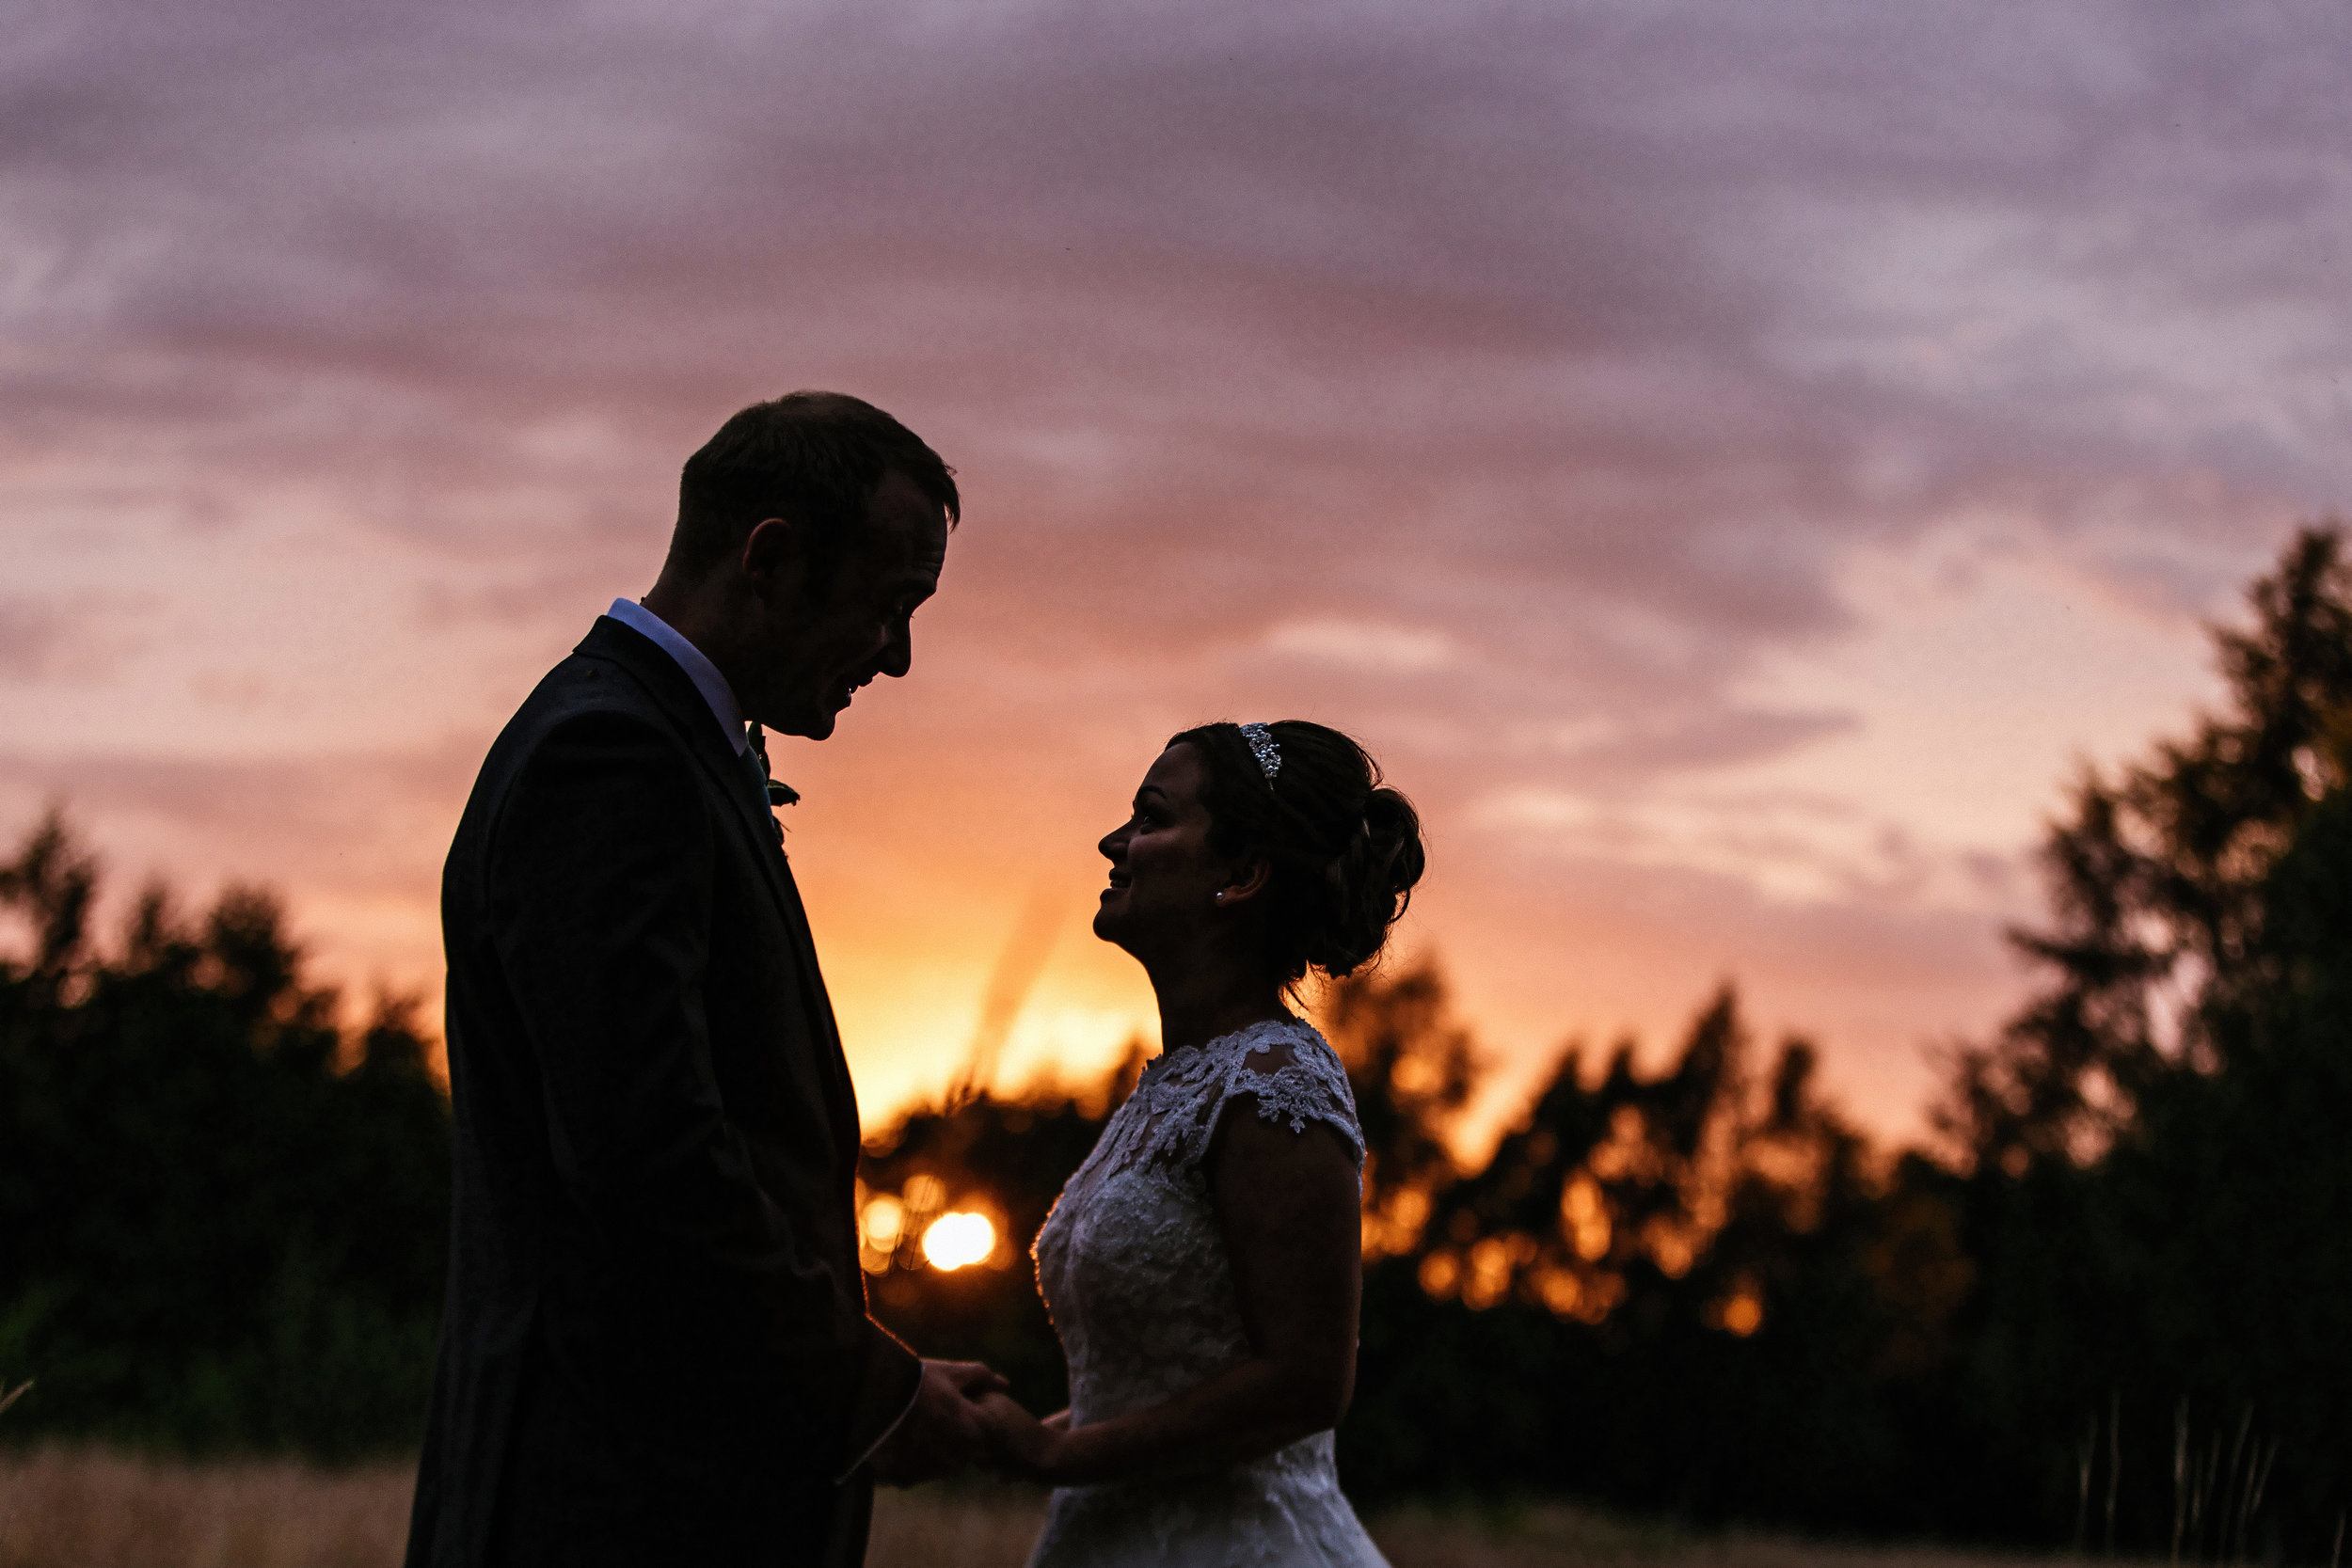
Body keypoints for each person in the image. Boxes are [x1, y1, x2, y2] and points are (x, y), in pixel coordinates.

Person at [405, 392, 1004, 1568]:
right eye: (890, 605)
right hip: (614, 1506)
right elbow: (651, 1164)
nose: (898, 654)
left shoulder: (665, 747)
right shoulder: (610, 759)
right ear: (770, 557)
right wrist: (872, 1389)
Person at [977, 720, 1423, 1566]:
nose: (1115, 841)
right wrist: (1000, 1432)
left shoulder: (1274, 1080)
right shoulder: (1177, 1085)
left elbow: (1305, 1379)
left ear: (1242, 873)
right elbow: (1161, 1381)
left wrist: (1059, 1458)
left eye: (1150, 817)